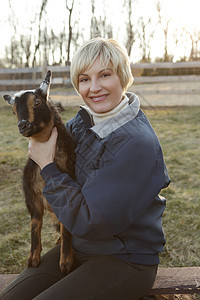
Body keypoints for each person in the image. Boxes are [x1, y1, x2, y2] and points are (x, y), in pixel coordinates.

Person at [1, 37, 170, 300]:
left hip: (124, 257)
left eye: (105, 75)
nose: (94, 88)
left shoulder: (137, 143)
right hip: (79, 245)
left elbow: (91, 221)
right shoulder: (81, 123)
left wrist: (47, 165)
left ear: (123, 77)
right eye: (84, 79)